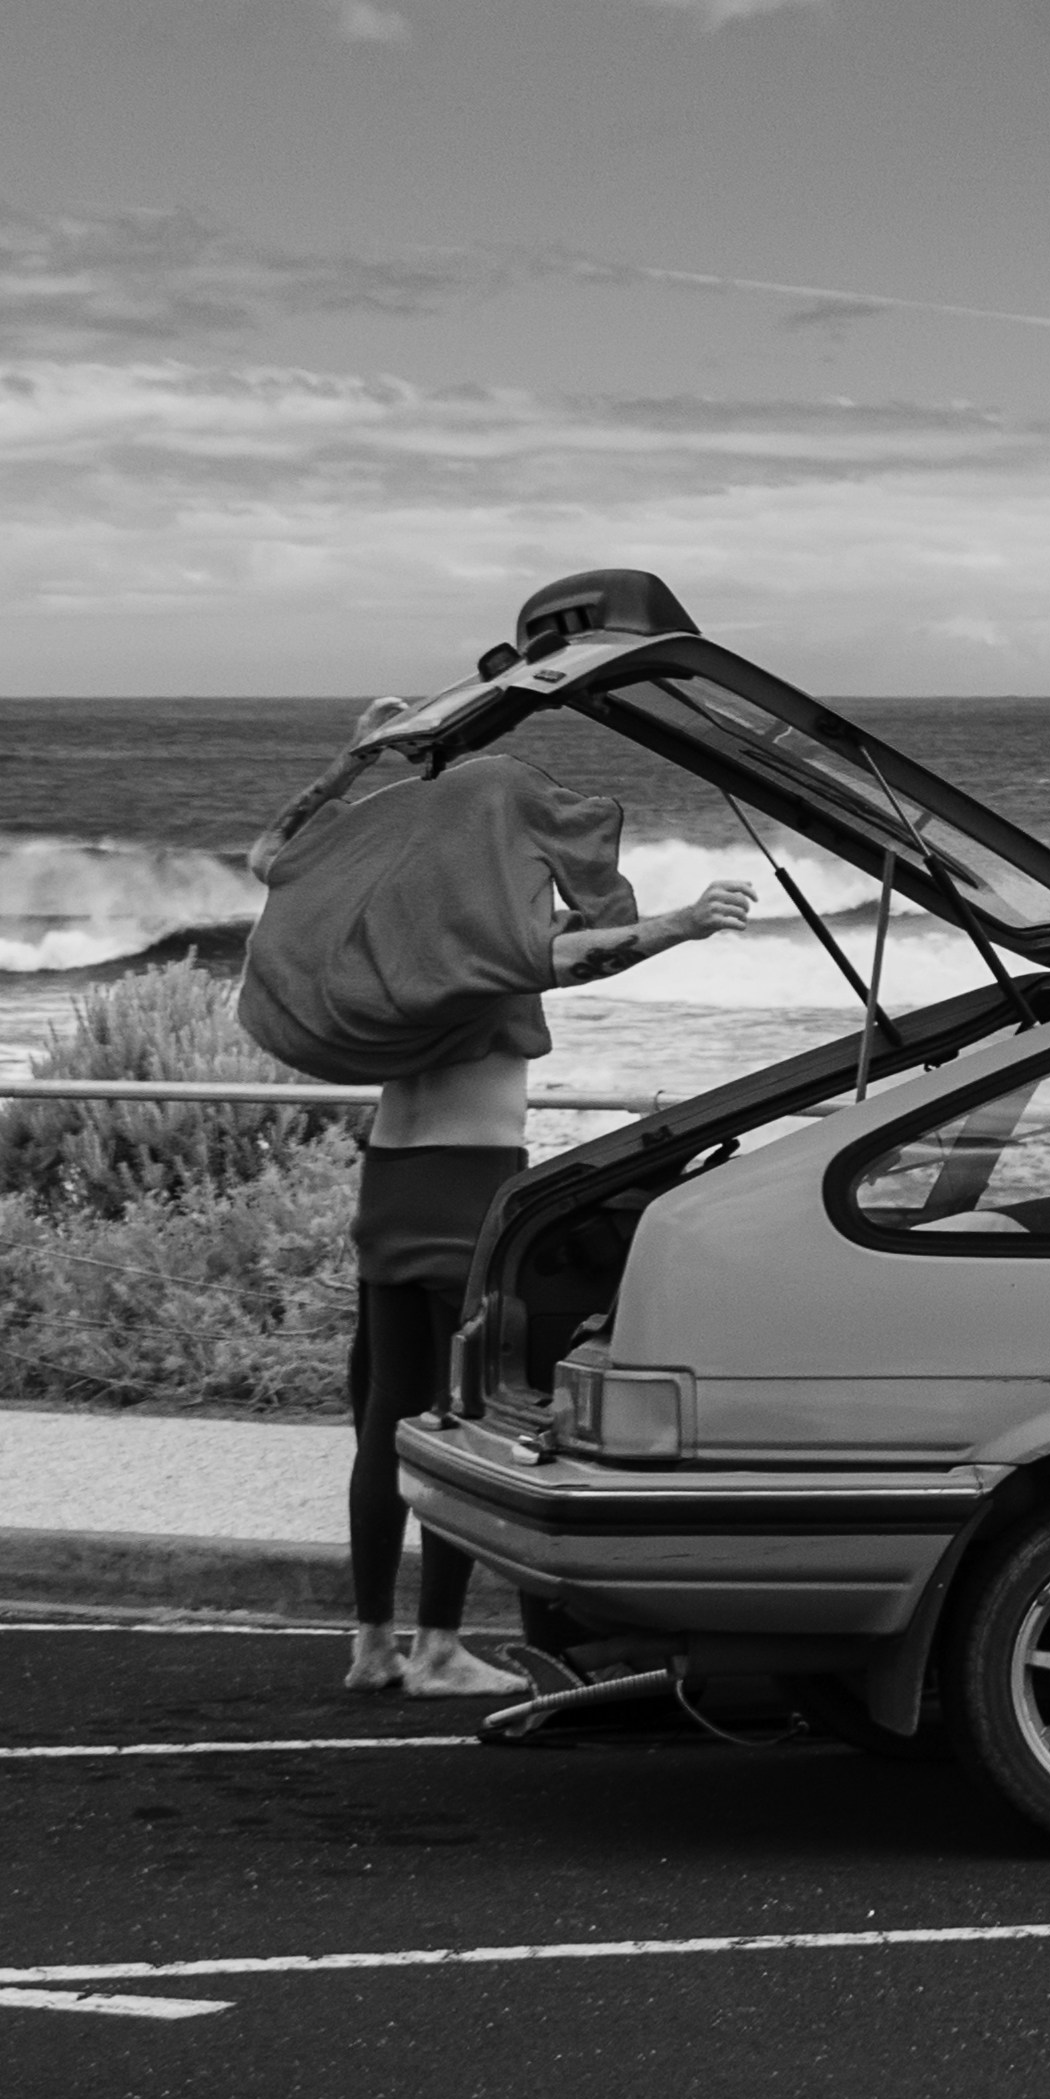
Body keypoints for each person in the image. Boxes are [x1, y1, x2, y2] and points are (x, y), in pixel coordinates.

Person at [253, 692, 753, 1697]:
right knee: (452, 1425)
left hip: (388, 1179)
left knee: (384, 1415)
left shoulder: (405, 930)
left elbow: (273, 860)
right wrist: (684, 923)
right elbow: (571, 957)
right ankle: (438, 1647)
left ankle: (371, 1644)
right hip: (465, 1191)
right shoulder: (484, 953)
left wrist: (352, 766)